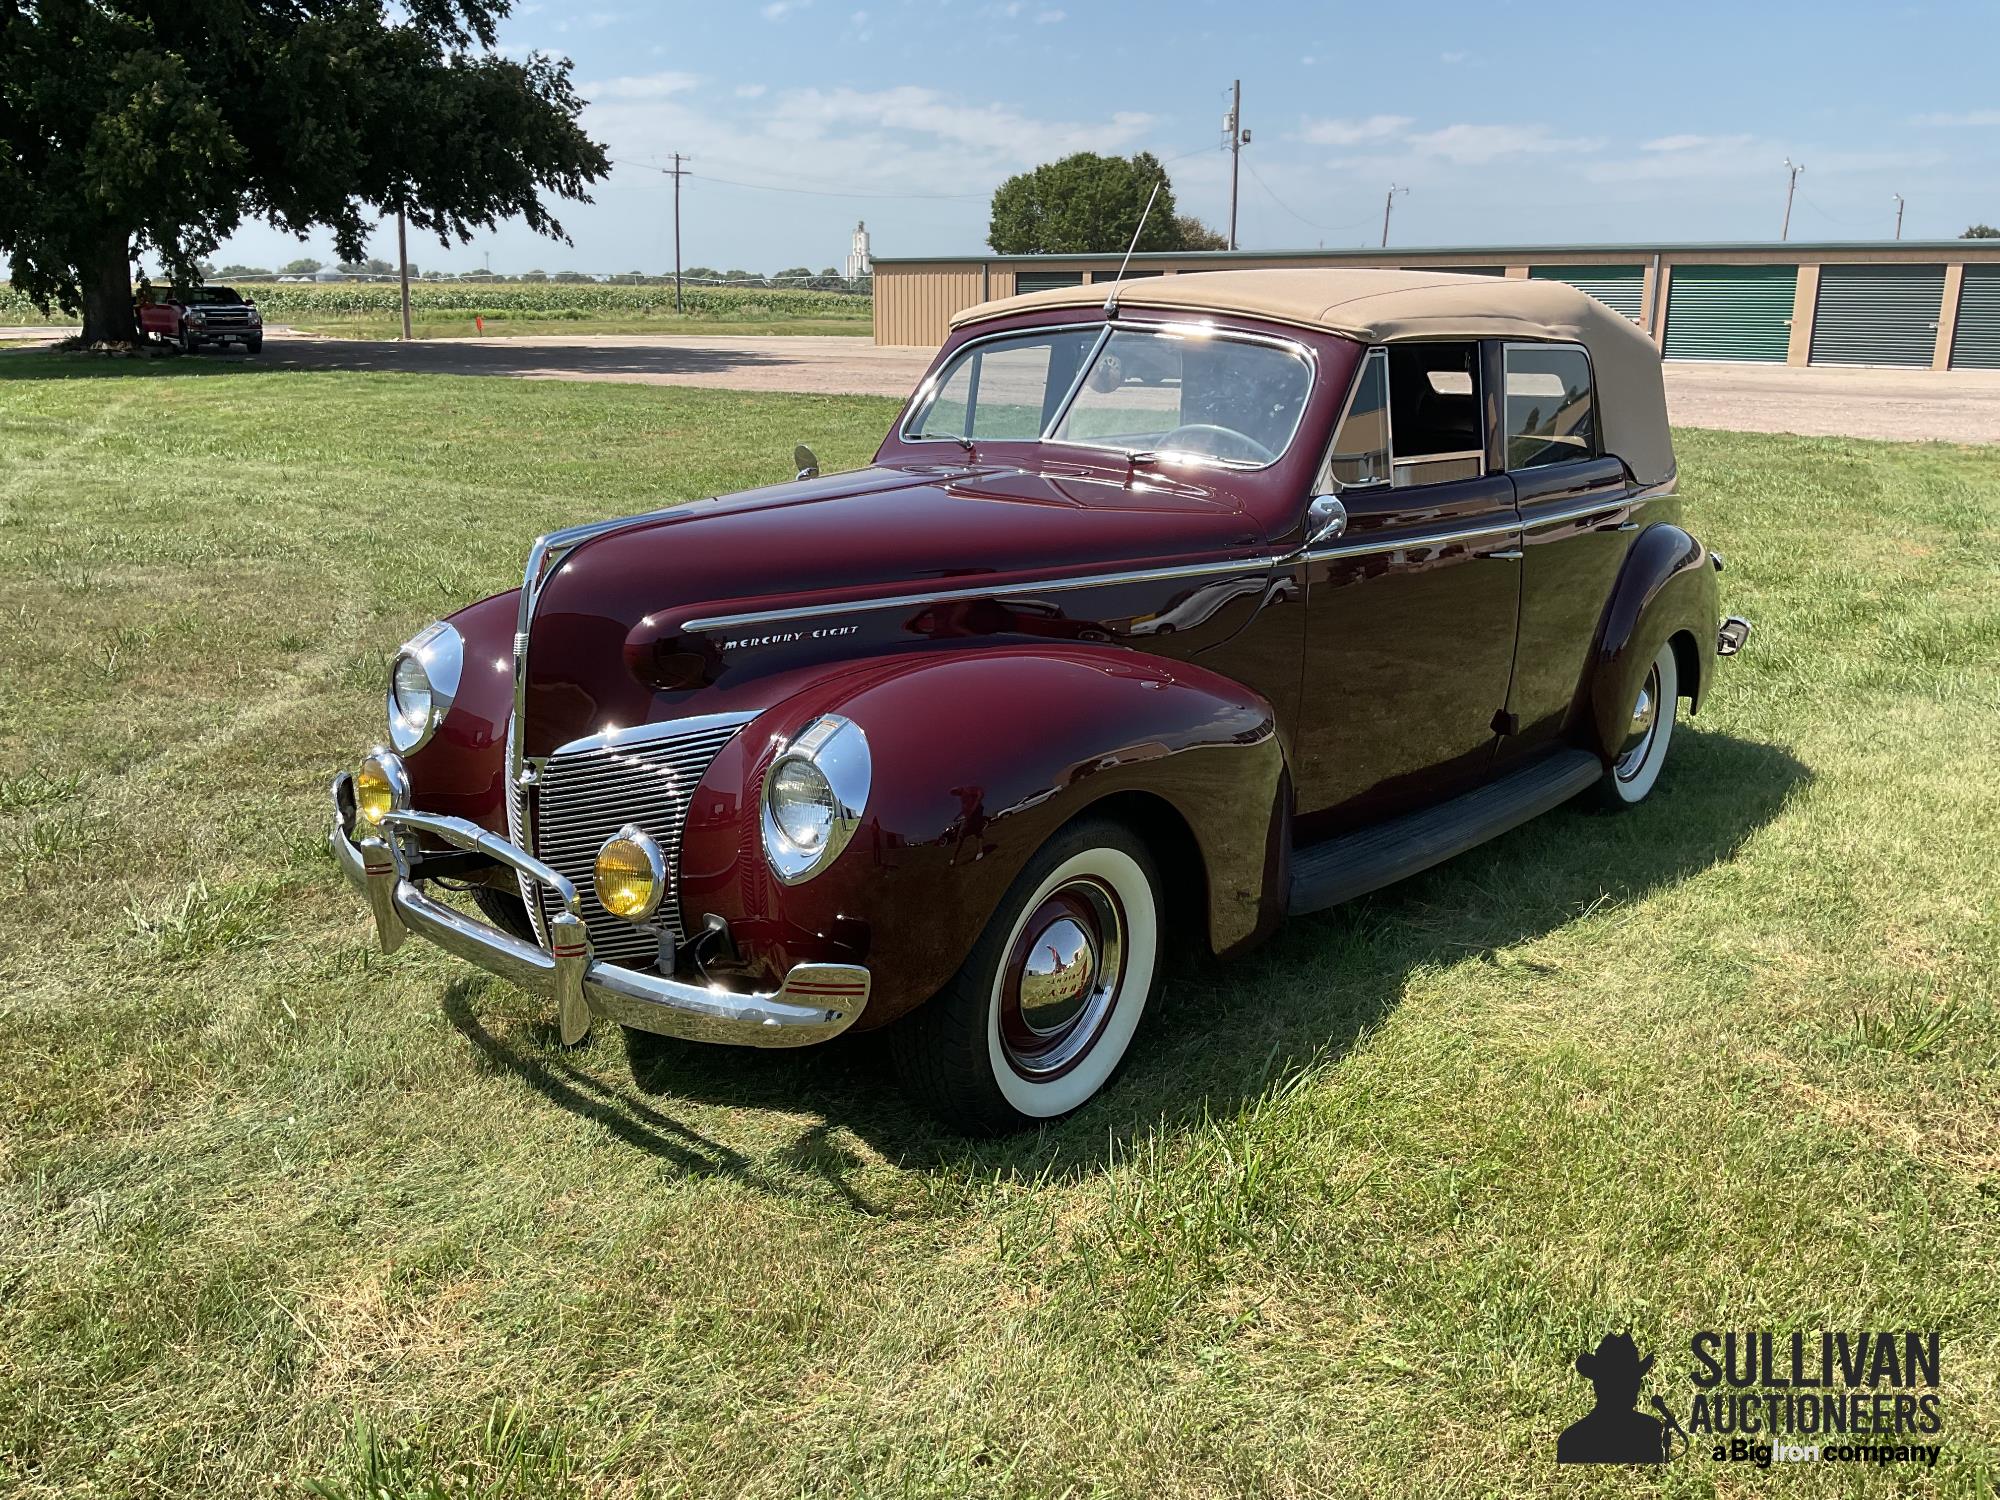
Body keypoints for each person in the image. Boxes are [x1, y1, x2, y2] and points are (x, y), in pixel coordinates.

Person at [1557, 1332, 1669, 1464]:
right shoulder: (1649, 1430)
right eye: (1624, 1382)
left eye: (1633, 1381)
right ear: (1600, 1385)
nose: (1634, 1388)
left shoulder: (1572, 1438)